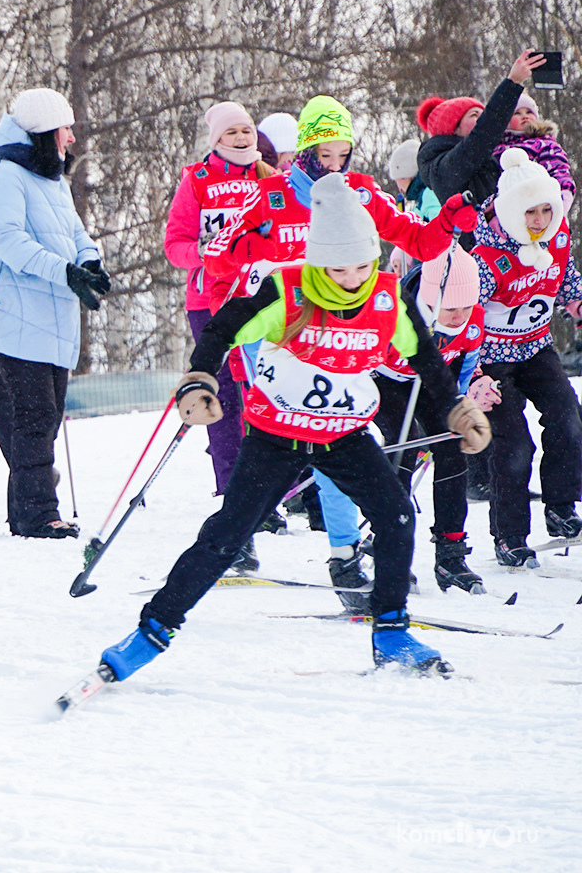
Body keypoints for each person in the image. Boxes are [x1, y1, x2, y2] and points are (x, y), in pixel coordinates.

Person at [94, 172, 491, 685]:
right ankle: (152, 630)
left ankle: (391, 631)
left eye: (362, 264)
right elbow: (220, 329)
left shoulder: (388, 299)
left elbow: (428, 360)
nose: (352, 277)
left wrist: (457, 408)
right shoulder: (288, 291)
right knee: (227, 533)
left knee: (395, 514)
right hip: (277, 433)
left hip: (343, 434)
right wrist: (197, 380)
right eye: (339, 267)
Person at [203, 96, 476, 577]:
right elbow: (217, 255)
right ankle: (233, 536)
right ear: (304, 150)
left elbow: (418, 241)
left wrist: (448, 221)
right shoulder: (270, 195)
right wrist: (252, 247)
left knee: (332, 437)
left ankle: (344, 555)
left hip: (338, 331)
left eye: (341, 155)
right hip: (275, 328)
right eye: (322, 155)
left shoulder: (362, 194)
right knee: (269, 451)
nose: (333, 165)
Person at [0, 88, 105, 538]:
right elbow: (8, 241)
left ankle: (27, 508)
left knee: (46, 416)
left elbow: (76, 233)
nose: (70, 138)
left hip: (51, 315)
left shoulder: (53, 181)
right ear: (45, 133)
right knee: (33, 415)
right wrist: (64, 272)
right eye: (64, 129)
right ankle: (36, 514)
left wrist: (89, 264)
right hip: (14, 313)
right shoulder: (6, 177)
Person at [469, 150, 582, 568]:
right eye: (529, 212)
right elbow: (464, 321)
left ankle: (561, 506)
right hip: (491, 361)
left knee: (569, 418)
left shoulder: (556, 239)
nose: (539, 220)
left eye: (546, 210)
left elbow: (568, 283)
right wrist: (474, 374)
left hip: (535, 348)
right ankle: (509, 533)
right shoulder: (484, 259)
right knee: (514, 444)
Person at [163, 102, 273, 497]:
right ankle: (233, 489)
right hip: (209, 301)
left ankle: (271, 489)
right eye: (232, 133)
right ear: (216, 140)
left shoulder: (269, 177)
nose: (242, 139)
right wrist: (208, 250)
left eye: (246, 130)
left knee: (263, 393)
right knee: (223, 395)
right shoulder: (197, 180)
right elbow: (174, 246)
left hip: (262, 301)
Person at [371, 246, 492, 594]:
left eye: (466, 306)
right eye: (450, 307)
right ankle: (388, 548)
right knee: (402, 444)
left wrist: (463, 409)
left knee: (453, 445)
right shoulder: (398, 312)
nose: (459, 316)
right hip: (382, 378)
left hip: (428, 380)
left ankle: (450, 554)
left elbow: (462, 371)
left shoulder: (474, 321)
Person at [417, 51, 563, 208]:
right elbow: (482, 136)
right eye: (474, 115)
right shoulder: (442, 168)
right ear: (453, 128)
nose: (481, 120)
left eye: (483, 114)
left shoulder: (484, 157)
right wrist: (513, 82)